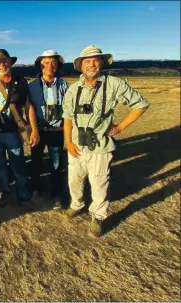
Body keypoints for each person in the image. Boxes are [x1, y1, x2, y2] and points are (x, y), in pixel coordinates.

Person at [62, 45, 150, 238]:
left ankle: (98, 217)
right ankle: (76, 205)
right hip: (76, 145)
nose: (91, 64)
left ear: (101, 63)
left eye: (96, 60)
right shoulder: (73, 90)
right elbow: (67, 118)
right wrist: (68, 141)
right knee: (74, 180)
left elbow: (141, 105)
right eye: (87, 61)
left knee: (99, 183)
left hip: (100, 146)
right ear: (80, 65)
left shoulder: (114, 84)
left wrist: (120, 127)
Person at [0, 49, 40, 207]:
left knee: (18, 164)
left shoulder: (21, 82)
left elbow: (28, 106)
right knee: (0, 165)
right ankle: (5, 191)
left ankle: (24, 194)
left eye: (5, 61)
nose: (2, 64)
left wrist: (34, 129)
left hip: (12, 131)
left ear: (10, 62)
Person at [28, 50, 69, 209]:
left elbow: (68, 108)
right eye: (45, 63)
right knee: (36, 162)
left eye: (53, 62)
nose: (49, 66)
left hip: (57, 131)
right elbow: (29, 107)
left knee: (57, 163)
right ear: (40, 65)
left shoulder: (64, 84)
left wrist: (65, 128)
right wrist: (33, 130)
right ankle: (35, 190)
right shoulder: (32, 86)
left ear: (57, 65)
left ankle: (57, 194)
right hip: (38, 130)